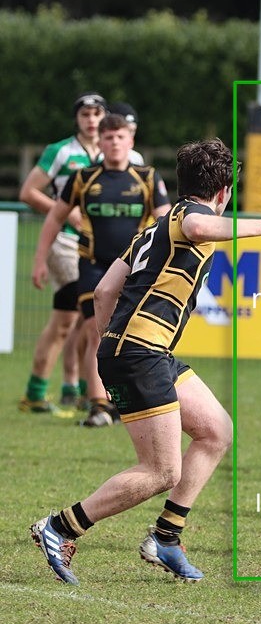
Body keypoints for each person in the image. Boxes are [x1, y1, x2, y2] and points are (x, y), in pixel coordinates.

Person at [29, 138, 261, 585]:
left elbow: (104, 292)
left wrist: (108, 339)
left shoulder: (157, 225)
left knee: (216, 431)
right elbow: (199, 229)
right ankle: (59, 527)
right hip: (140, 352)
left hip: (146, 350)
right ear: (223, 192)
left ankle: (166, 537)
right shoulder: (194, 219)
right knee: (161, 470)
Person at [31, 113, 171, 427]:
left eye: (120, 137)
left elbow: (165, 222)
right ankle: (98, 406)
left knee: (132, 336)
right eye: (108, 138)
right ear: (101, 143)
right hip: (93, 267)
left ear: (130, 141)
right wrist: (40, 260)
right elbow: (55, 218)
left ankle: (124, 402)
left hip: (134, 270)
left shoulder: (147, 178)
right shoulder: (83, 177)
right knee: (98, 333)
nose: (114, 143)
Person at [18, 91, 107, 413]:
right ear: (77, 119)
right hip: (65, 242)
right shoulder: (61, 151)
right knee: (79, 317)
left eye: (97, 114)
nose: (92, 121)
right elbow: (28, 192)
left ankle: (63, 389)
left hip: (96, 246)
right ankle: (74, 391)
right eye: (85, 115)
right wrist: (65, 211)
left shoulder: (112, 152)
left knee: (72, 321)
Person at [107, 101, 148, 167]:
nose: (129, 137)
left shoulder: (135, 158)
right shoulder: (99, 156)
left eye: (132, 131)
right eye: (124, 131)